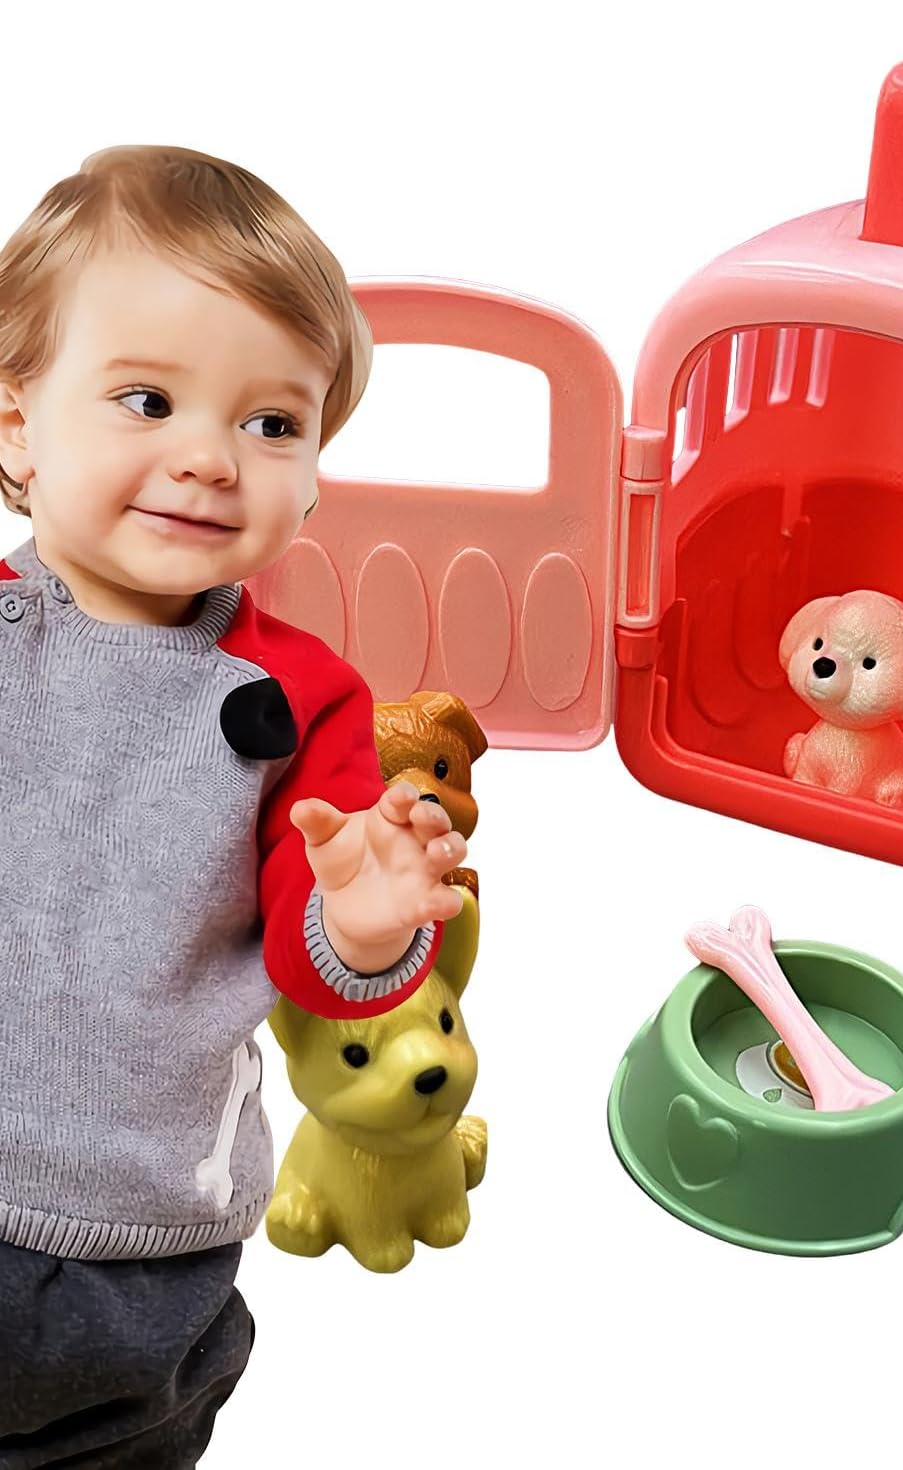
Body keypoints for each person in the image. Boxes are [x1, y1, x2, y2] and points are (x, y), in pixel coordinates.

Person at [0, 145, 466, 1468]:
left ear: (314, 475)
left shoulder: (302, 698)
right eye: (148, 400)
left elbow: (320, 962)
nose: (211, 459)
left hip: (150, 1248)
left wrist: (364, 920)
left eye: (272, 424)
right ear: (18, 426)